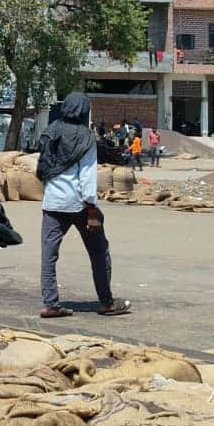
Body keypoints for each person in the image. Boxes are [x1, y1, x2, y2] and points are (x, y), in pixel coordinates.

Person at [34, 93, 129, 318]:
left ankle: (50, 304)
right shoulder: (85, 138)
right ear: (83, 111)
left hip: (53, 203)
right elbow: (87, 176)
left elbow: (42, 167)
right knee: (99, 251)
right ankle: (106, 302)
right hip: (79, 205)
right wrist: (92, 207)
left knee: (49, 255)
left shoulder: (51, 131)